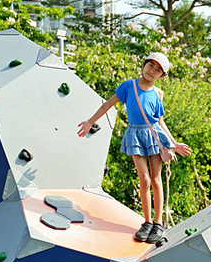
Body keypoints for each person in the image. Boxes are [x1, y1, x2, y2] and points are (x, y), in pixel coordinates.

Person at [77, 52, 192, 243]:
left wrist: (173, 144)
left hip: (154, 135)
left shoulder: (157, 94)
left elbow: (160, 122)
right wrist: (90, 121)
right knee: (144, 178)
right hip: (135, 135)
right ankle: (147, 222)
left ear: (161, 76)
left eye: (158, 70)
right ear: (144, 64)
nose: (152, 71)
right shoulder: (128, 86)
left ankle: (158, 223)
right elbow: (107, 105)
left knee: (156, 179)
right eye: (150, 65)